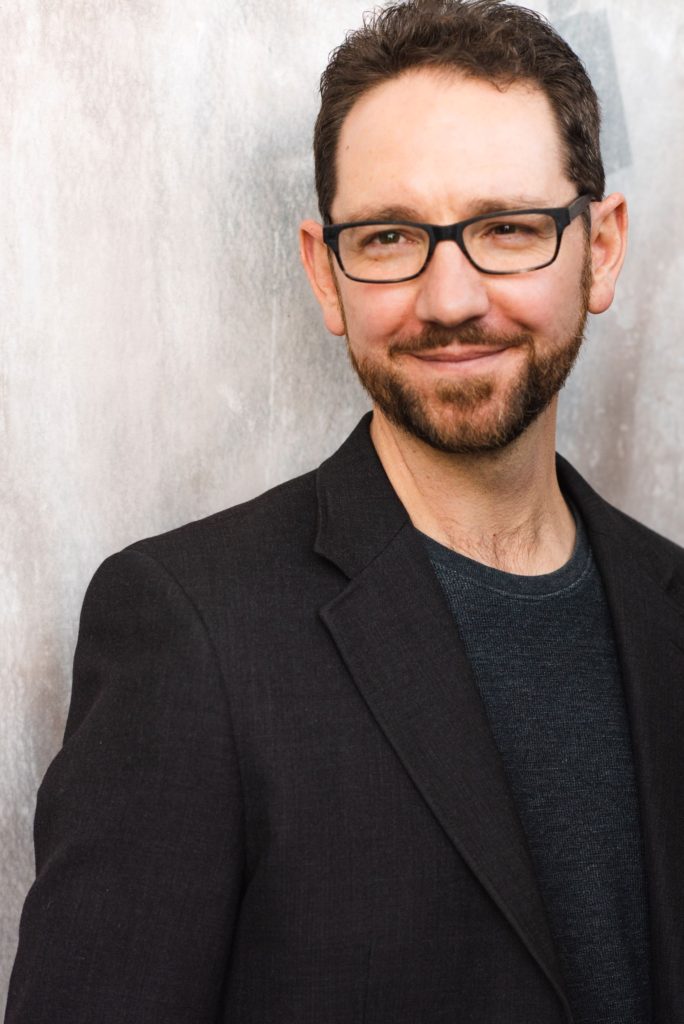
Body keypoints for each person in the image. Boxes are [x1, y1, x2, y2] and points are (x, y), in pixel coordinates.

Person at [6, 1, 684, 1022]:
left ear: (602, 249)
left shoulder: (671, 607)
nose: (450, 296)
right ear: (328, 273)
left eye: (507, 228)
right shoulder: (192, 633)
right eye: (392, 236)